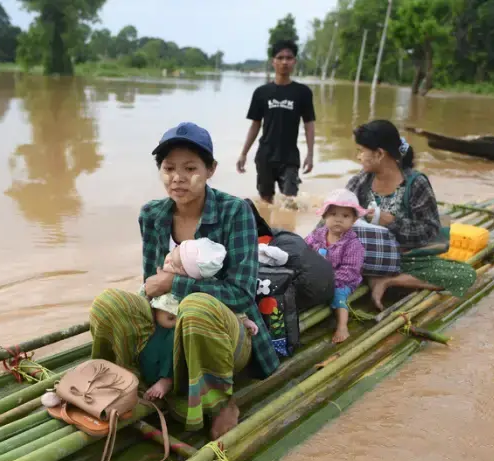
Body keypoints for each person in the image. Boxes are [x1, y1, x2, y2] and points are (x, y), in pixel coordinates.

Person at [89, 122, 279, 440]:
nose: (177, 177)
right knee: (109, 303)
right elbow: (152, 284)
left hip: (223, 334)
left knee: (196, 306)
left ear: (210, 170)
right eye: (169, 168)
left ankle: (221, 404)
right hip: (169, 325)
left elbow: (242, 295)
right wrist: (146, 306)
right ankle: (124, 380)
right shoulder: (152, 215)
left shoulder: (236, 212)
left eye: (190, 168)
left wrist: (174, 285)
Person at [345, 119, 476, 310]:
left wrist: (393, 222)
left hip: (406, 261)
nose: (359, 157)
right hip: (363, 259)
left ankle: (390, 281)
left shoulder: (416, 184)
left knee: (465, 275)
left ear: (380, 153)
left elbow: (430, 231)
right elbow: (334, 215)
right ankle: (374, 275)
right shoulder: (360, 181)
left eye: (361, 151)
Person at [236, 39, 316, 205]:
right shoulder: (261, 92)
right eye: (280, 58)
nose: (284, 62)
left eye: (289, 58)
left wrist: (310, 154)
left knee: (290, 202)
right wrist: (243, 153)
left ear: (294, 62)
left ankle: (287, 229)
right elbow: (255, 125)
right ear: (273, 61)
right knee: (266, 202)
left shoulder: (303, 92)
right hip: (265, 156)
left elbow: (309, 124)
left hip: (290, 157)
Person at [304, 189, 367, 343]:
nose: (338, 219)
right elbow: (302, 251)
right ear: (325, 216)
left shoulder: (353, 245)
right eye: (333, 214)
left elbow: (350, 271)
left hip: (342, 281)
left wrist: (328, 281)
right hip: (316, 278)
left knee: (339, 295)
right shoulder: (316, 236)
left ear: (353, 220)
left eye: (345, 216)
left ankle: (342, 326)